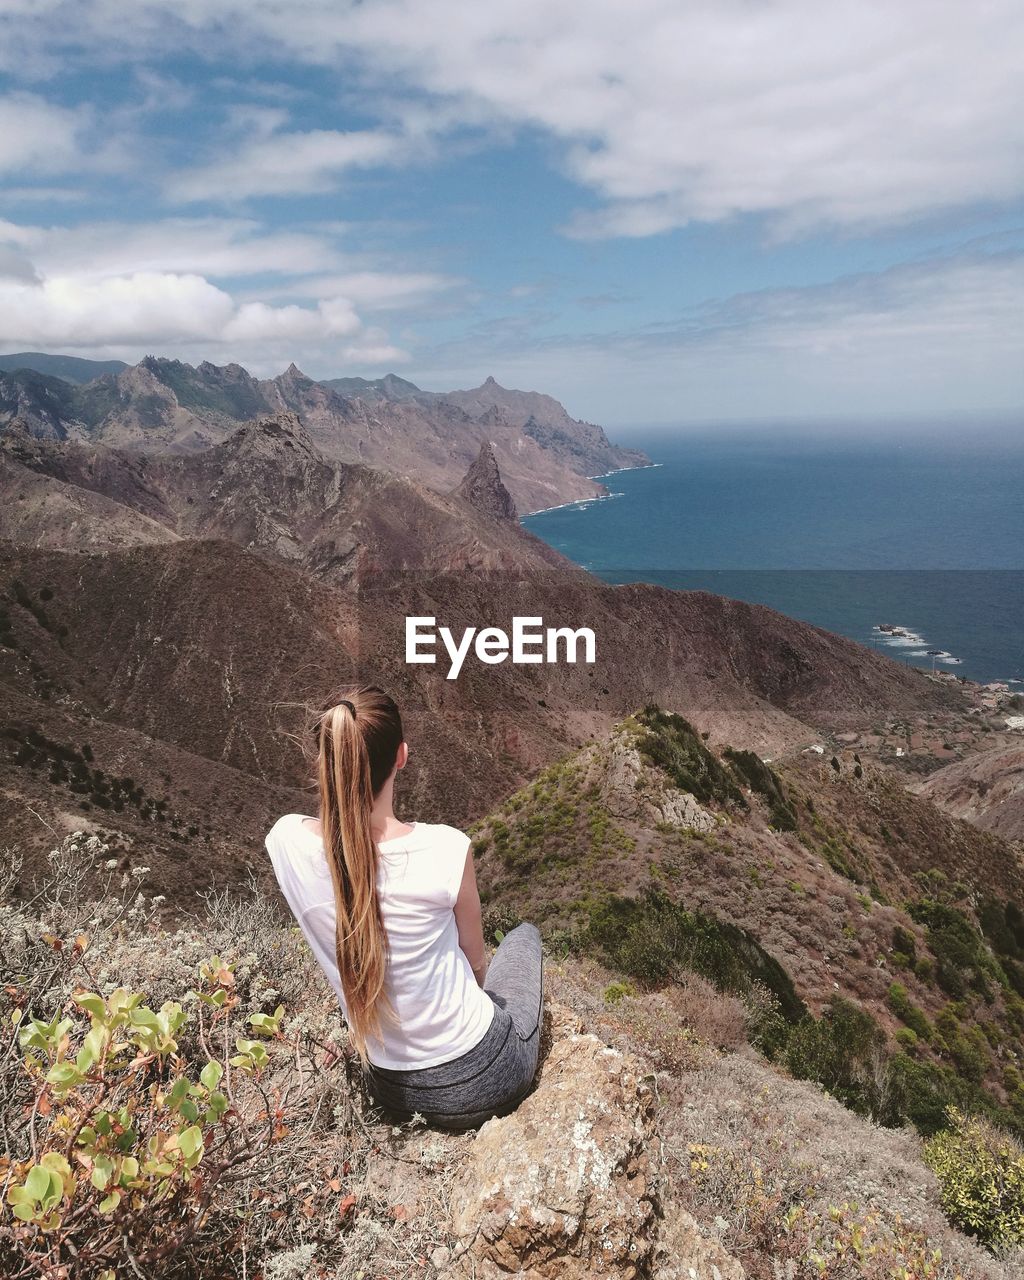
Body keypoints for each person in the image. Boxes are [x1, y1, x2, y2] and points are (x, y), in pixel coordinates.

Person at [265, 685, 543, 1130]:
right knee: (524, 936)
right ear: (402, 756)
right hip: (486, 1074)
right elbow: (475, 965)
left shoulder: (283, 842)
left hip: (390, 1088)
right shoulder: (447, 849)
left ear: (328, 758)